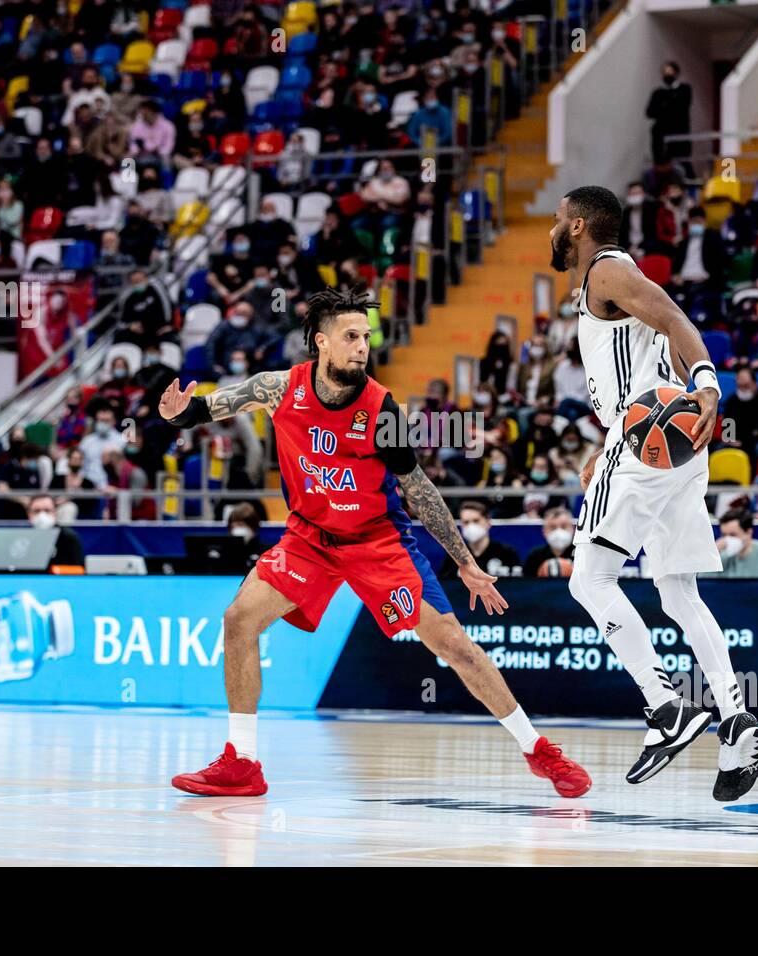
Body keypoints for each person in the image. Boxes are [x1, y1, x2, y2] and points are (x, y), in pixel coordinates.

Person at [160, 289, 590, 798]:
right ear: (321, 342)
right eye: (350, 336)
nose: (362, 346)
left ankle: (537, 750)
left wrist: (467, 564)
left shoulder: (381, 410)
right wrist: (177, 415)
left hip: (378, 541)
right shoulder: (279, 389)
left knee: (455, 647)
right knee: (238, 620)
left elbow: (420, 491)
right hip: (309, 539)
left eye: (366, 337)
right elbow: (207, 408)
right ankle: (243, 762)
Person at [549, 184, 758, 801]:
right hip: (670, 448)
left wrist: (708, 385)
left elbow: (676, 319)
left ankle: (666, 706)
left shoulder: (607, 270)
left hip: (646, 437)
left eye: (557, 220)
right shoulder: (616, 278)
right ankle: (733, 717)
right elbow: (655, 342)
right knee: (678, 592)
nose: (551, 230)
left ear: (578, 227)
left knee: (587, 579)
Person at [440, 500, 520, 579]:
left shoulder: (507, 553)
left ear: (488, 522)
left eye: (476, 521)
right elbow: (446, 584)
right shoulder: (455, 556)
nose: (471, 526)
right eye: (466, 522)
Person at [707, 508, 758, 579]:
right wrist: (713, 554)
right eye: (724, 535)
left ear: (748, 532)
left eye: (733, 535)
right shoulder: (722, 556)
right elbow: (705, 584)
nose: (727, 540)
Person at [26, 494, 85, 568]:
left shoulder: (69, 538)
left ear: (55, 513)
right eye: (37, 511)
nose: (42, 515)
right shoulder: (22, 539)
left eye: (47, 511)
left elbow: (78, 569)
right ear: (29, 514)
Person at [521, 506, 576, 577]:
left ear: (573, 529)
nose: (558, 531)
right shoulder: (535, 557)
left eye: (563, 526)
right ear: (544, 531)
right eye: (552, 527)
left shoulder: (582, 555)